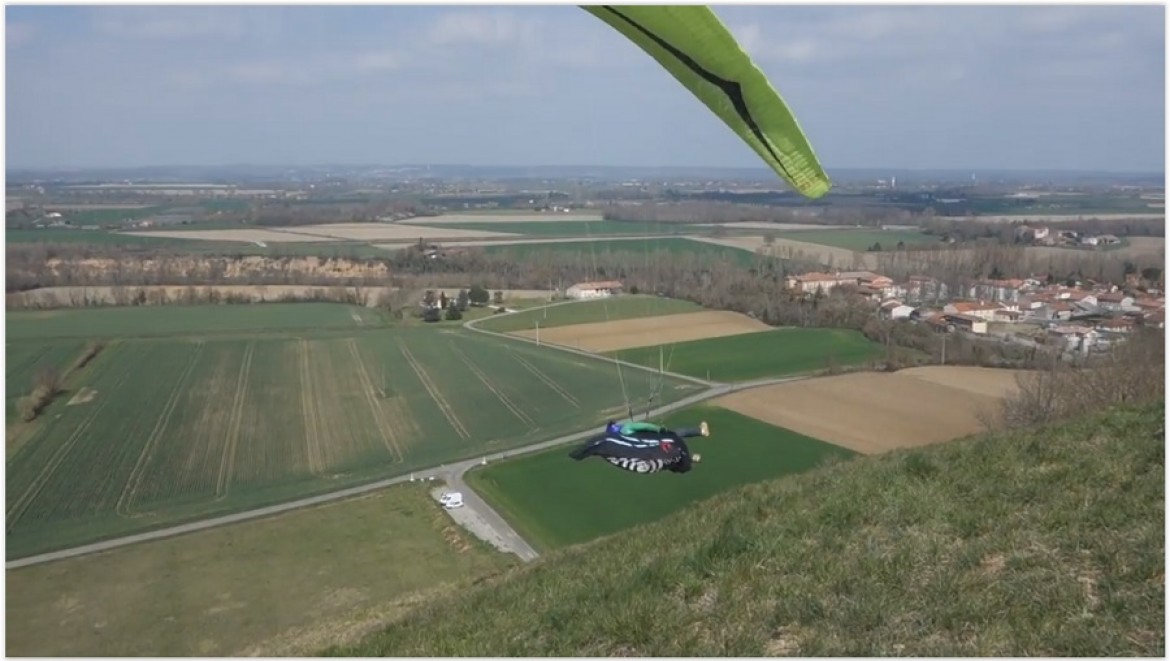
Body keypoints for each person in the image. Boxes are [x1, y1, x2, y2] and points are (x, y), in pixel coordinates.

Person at [569, 419, 710, 474]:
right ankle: (700, 431)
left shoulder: (617, 442)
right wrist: (659, 429)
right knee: (674, 436)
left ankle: (692, 458)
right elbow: (645, 426)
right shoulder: (626, 429)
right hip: (655, 443)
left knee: (668, 454)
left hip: (650, 453)